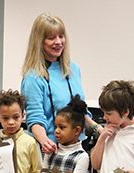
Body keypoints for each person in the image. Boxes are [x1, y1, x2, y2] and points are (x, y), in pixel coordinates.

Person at [21, 13, 101, 155]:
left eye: (61, 36)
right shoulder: (32, 77)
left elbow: (80, 111)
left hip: (78, 147)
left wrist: (100, 131)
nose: (58, 42)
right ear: (39, 41)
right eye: (51, 38)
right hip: (52, 149)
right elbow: (35, 118)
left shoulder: (73, 69)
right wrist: (45, 141)